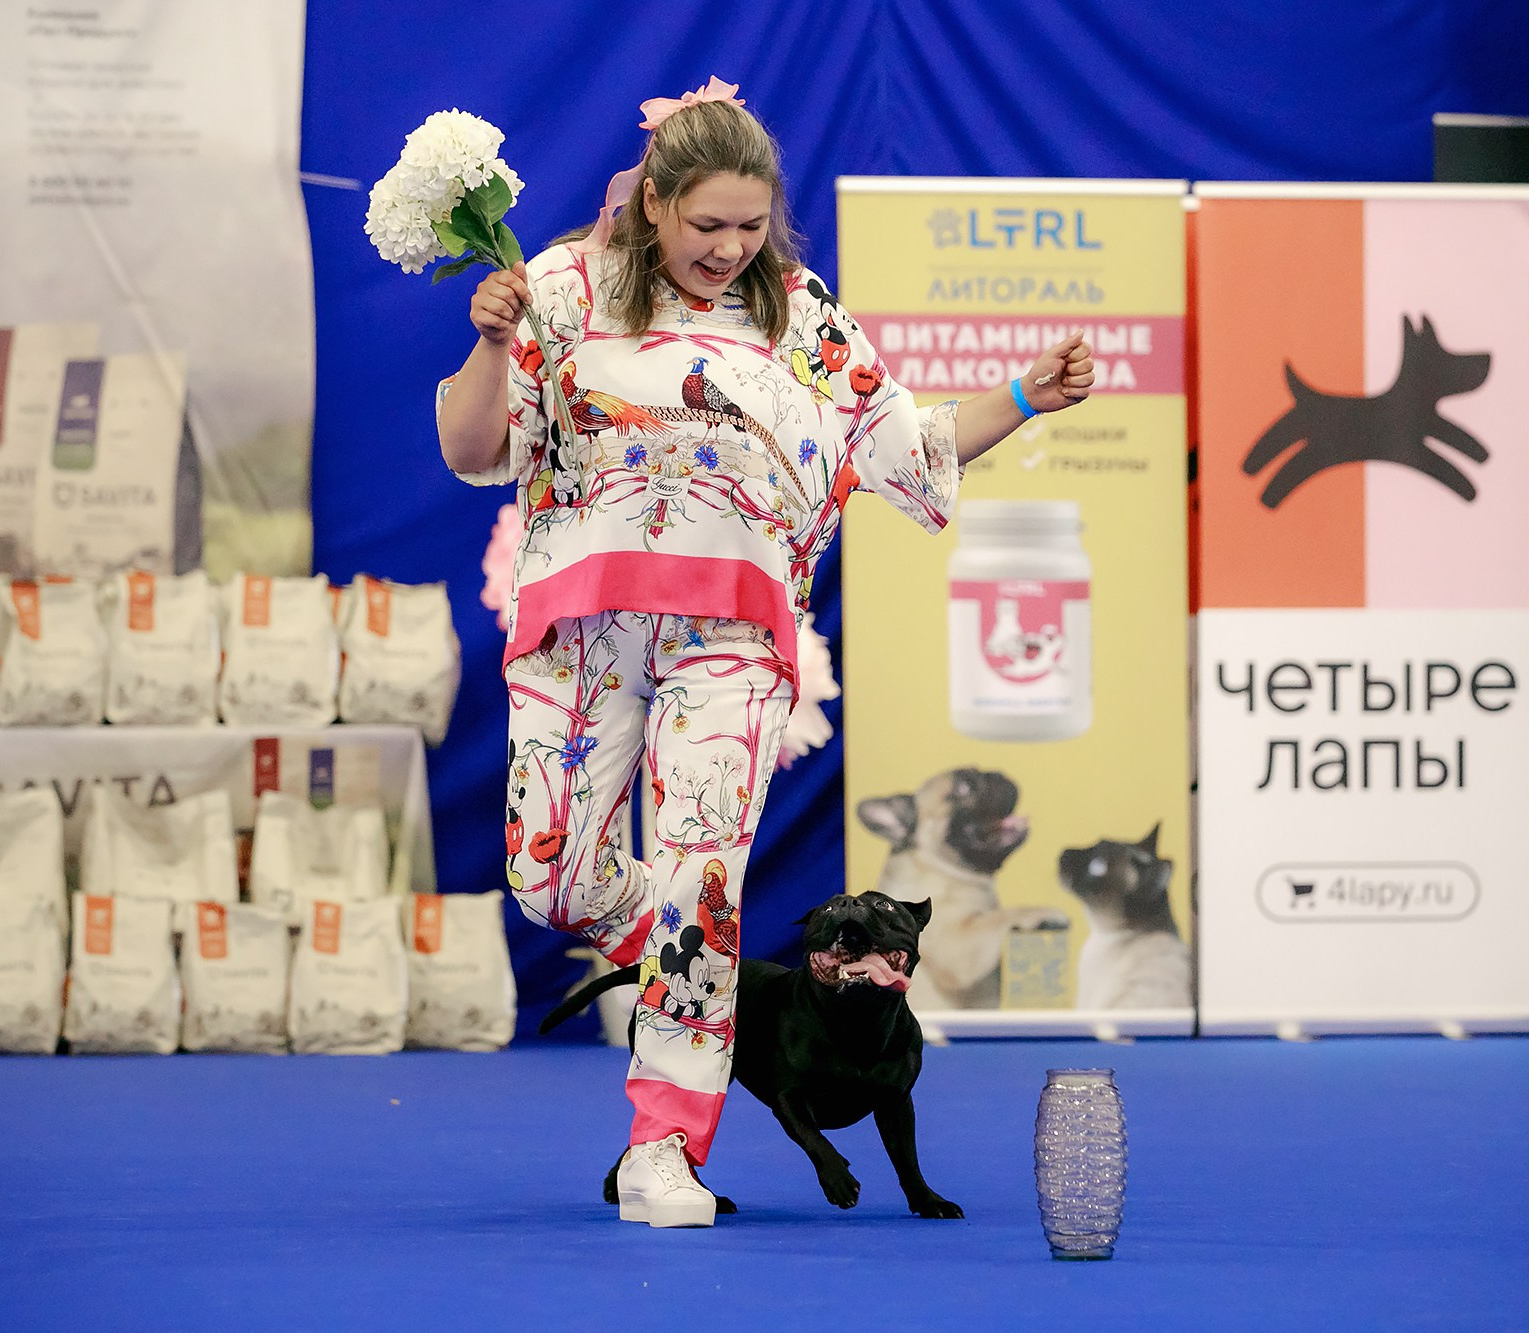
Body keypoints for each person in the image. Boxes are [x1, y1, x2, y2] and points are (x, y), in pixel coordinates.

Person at [436, 78, 1094, 1228]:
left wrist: (1021, 397)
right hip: (578, 632)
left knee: (706, 884)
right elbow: (471, 446)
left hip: (732, 642)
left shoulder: (797, 312)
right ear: (652, 204)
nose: (730, 249)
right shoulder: (556, 288)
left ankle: (664, 1150)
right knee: (547, 882)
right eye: (707, 227)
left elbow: (909, 443)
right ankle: (692, 938)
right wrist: (491, 343)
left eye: (751, 227)